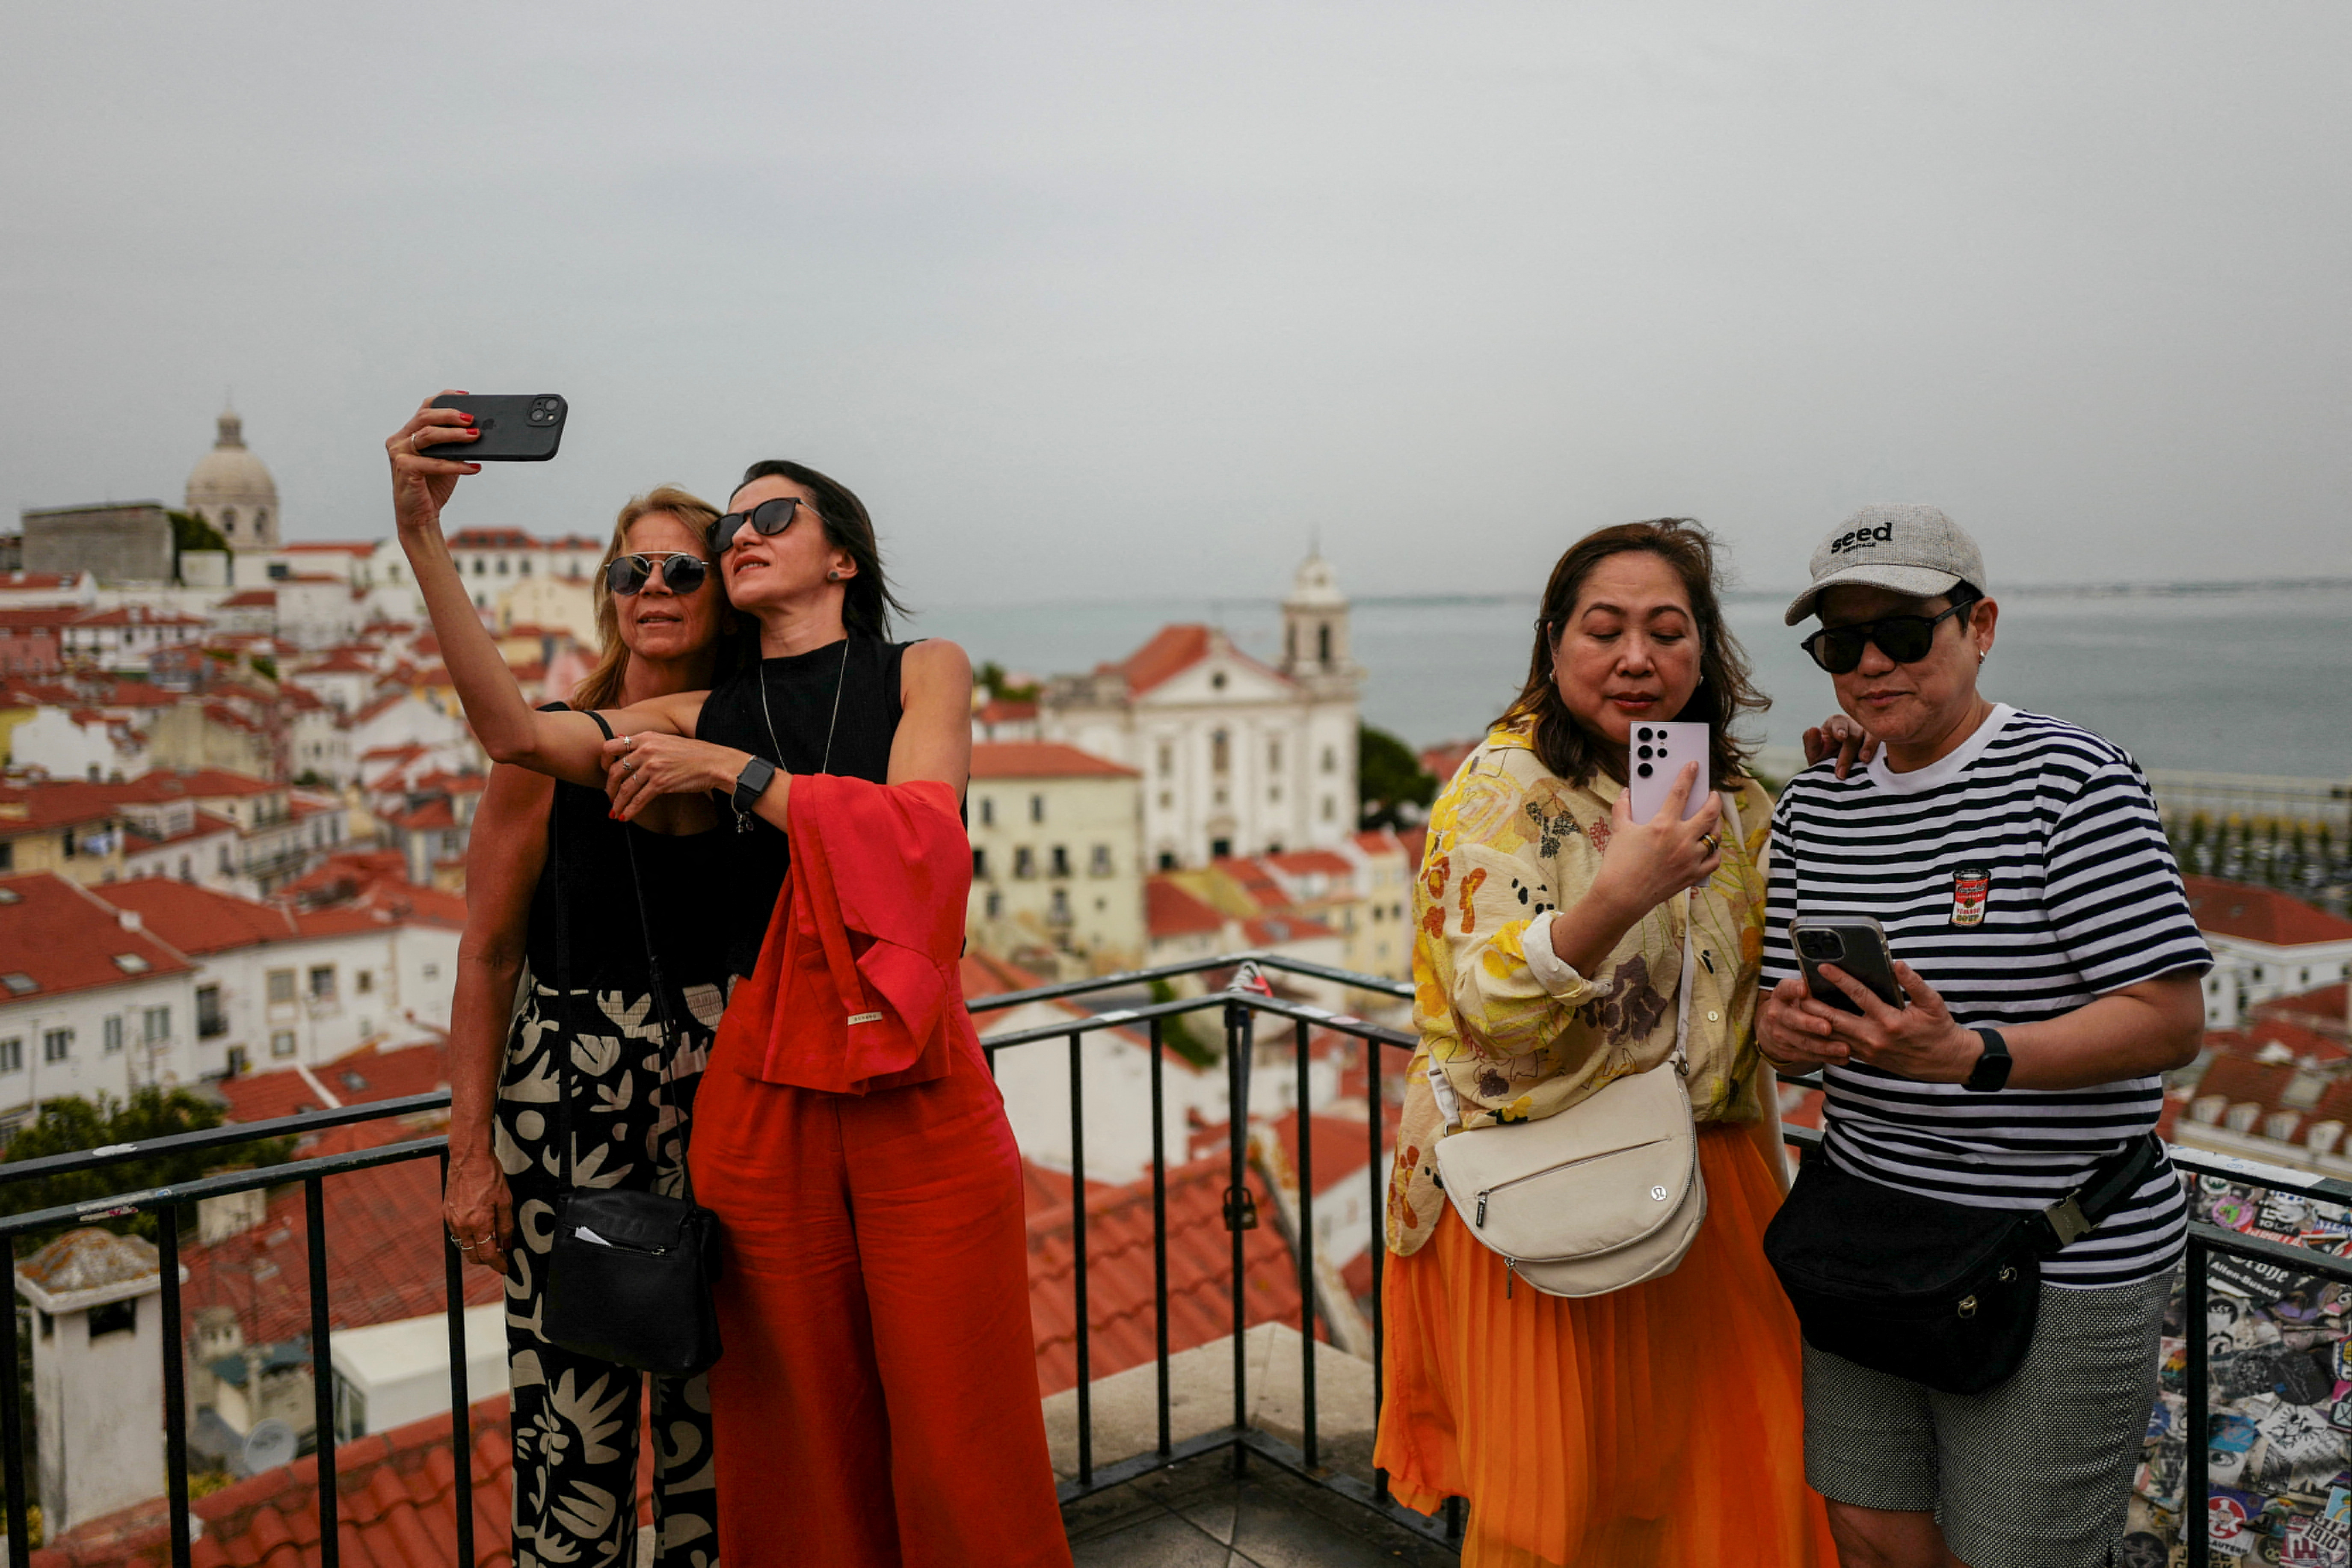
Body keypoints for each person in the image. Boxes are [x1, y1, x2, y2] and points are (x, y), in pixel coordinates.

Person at [388, 396, 1070, 1568]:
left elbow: (921, 842)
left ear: (842, 555)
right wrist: (419, 533)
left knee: (951, 1412)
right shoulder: (695, 712)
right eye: (727, 526)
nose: (734, 538)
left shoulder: (916, 670)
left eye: (766, 518)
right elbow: (513, 734)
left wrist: (731, 771)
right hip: (752, 1096)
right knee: (789, 1429)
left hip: (893, 1069)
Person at [1374, 518, 1837, 1567]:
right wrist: (1619, 894)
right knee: (1569, 1519)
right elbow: (1481, 1008)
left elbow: (1745, 991)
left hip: (1712, 1178)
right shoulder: (1500, 790)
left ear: (1703, 652)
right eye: (1606, 628)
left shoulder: (1733, 799)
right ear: (1554, 642)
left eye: (1668, 632)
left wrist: (1850, 786)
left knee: (1741, 1494)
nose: (1638, 658)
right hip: (1543, 1184)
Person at [1757, 504, 2208, 1568]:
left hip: (2051, 1254)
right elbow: (1785, 1018)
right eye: (1840, 644)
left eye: (1906, 633)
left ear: (1981, 626)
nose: (1871, 664)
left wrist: (1971, 1055)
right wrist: (1783, 1034)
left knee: (2013, 1556)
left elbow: (2167, 1017)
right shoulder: (1816, 808)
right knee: (1867, 1530)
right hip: (1870, 1232)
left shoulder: (2074, 782)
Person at [439, 484, 739, 1568]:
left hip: (730, 1121)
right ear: (608, 596)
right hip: (569, 1121)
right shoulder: (551, 748)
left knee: (731, 1425)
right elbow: (487, 953)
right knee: (575, 1432)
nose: (653, 588)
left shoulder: (754, 746)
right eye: (632, 572)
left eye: (682, 571)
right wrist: (467, 1154)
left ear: (724, 590)